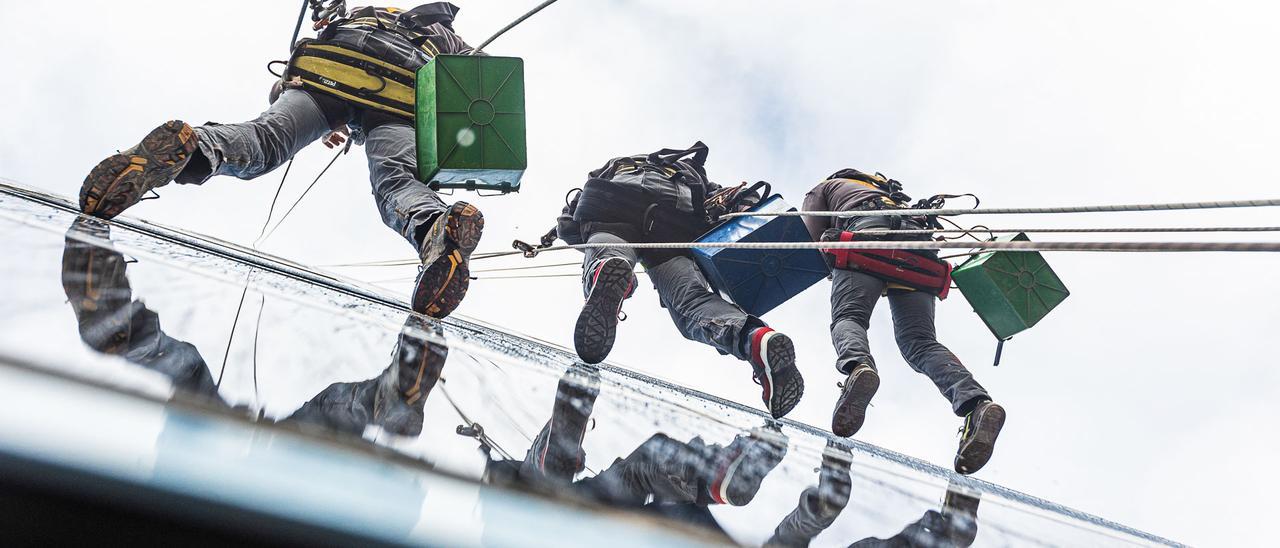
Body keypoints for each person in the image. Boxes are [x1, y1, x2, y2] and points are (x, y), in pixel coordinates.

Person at [76, 3, 483, 318]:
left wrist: (312, 110)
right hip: (402, 93)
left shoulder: (360, 15)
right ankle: (435, 230)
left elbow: (282, 91)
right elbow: (479, 79)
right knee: (397, 180)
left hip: (331, 66)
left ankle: (192, 146)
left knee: (266, 139)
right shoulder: (444, 36)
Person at [60, 217, 449, 436]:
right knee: (335, 405)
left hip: (202, 481)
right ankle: (391, 398)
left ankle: (120, 330)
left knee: (190, 372)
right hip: (258, 481)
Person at [555, 142, 804, 419]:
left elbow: (570, 218)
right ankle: (754, 338)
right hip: (674, 219)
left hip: (615, 201)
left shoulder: (616, 165)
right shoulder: (692, 175)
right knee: (690, 302)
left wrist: (574, 231)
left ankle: (609, 271)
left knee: (609, 250)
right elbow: (738, 198)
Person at [803, 169, 1005, 475]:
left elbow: (811, 240)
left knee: (849, 316)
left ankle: (859, 368)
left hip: (865, 242)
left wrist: (834, 265)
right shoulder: (893, 198)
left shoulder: (826, 187)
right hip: (919, 251)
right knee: (920, 343)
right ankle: (977, 406)